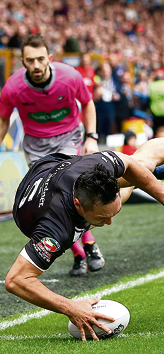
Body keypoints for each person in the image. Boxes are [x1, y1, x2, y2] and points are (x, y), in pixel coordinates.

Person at [5, 132, 164, 341]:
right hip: (36, 197)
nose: (109, 223)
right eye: (102, 218)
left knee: (138, 163)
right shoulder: (54, 230)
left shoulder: (98, 165)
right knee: (136, 175)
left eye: (112, 214)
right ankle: (149, 172)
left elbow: (128, 164)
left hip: (61, 166)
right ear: (79, 205)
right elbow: (16, 280)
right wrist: (71, 307)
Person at [0, 34, 104, 277]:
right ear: (22, 62)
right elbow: (4, 119)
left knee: (69, 190)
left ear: (50, 58)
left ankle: (88, 248)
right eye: (29, 60)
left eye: (39, 59)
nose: (35, 66)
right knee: (50, 202)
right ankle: (81, 254)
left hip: (68, 136)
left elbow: (87, 104)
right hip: (35, 144)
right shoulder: (13, 87)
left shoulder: (70, 77)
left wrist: (92, 137)